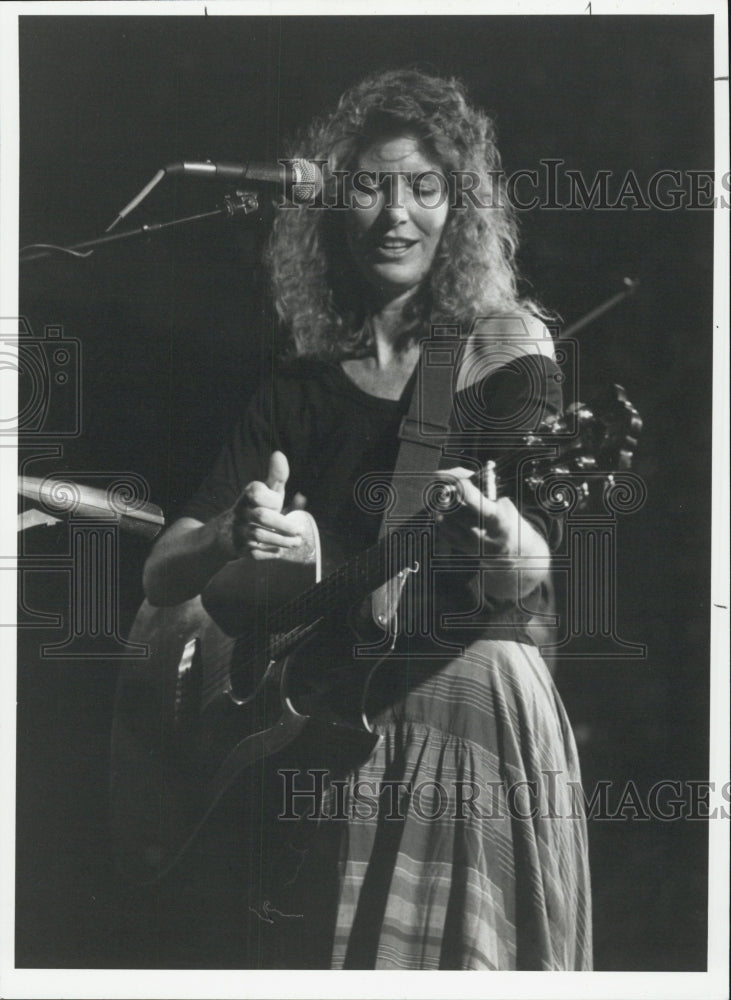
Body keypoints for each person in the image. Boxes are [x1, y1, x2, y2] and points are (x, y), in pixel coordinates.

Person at [142, 67, 593, 971]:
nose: (397, 213)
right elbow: (162, 575)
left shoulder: (497, 352)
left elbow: (530, 567)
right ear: (329, 206)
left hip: (465, 707)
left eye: (424, 188)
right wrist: (240, 538)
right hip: (325, 727)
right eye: (371, 186)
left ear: (455, 209)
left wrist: (502, 537)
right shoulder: (296, 386)